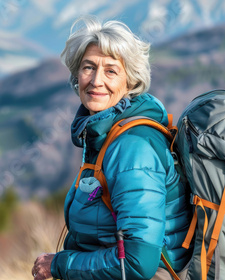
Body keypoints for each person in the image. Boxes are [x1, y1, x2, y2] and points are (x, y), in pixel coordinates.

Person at [31, 16, 192, 280]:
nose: (95, 81)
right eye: (88, 67)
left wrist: (60, 264)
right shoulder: (105, 133)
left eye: (111, 71)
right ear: (76, 75)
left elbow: (137, 262)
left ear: (130, 82)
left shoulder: (132, 147)